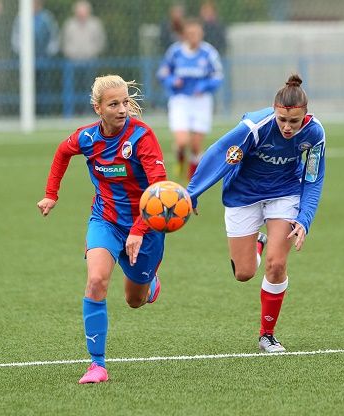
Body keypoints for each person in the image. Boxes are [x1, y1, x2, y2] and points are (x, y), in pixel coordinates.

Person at [36, 75, 167, 384]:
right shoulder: (87, 138)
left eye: (125, 102)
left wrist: (138, 229)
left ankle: (149, 283)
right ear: (98, 108)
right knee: (96, 280)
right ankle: (97, 365)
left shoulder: (142, 137)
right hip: (105, 220)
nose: (122, 109)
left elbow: (159, 188)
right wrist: (51, 194)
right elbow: (62, 152)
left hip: (145, 226)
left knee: (135, 300)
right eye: (113, 104)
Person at [186, 74, 326, 353]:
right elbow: (220, 152)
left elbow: (313, 178)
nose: (287, 127)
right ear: (274, 112)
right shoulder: (255, 127)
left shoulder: (314, 134)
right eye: (282, 120)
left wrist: (304, 219)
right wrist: (193, 192)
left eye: (294, 121)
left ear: (305, 116)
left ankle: (267, 335)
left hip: (284, 193)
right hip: (243, 195)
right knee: (244, 273)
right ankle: (258, 242)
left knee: (276, 264)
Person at [157, 18, 224, 179]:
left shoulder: (209, 53)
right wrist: (172, 81)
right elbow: (162, 73)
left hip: (201, 102)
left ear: (202, 33)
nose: (194, 36)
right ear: (185, 34)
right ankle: (180, 159)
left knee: (195, 146)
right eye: (190, 33)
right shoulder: (175, 52)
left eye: (196, 33)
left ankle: (192, 179)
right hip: (180, 101)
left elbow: (218, 76)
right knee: (182, 142)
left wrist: (204, 86)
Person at [12, 0, 60, 114]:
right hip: (26, 62)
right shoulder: (21, 18)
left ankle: (44, 113)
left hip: (44, 60)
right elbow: (16, 38)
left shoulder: (46, 18)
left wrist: (49, 53)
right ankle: (26, 112)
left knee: (44, 88)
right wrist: (22, 54)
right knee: (27, 87)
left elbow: (54, 36)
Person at [62, 1, 107, 114]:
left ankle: (89, 110)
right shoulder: (70, 25)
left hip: (90, 60)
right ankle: (75, 110)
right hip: (73, 62)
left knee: (91, 87)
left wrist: (92, 52)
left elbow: (100, 41)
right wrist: (70, 53)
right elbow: (64, 42)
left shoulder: (95, 24)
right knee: (75, 87)